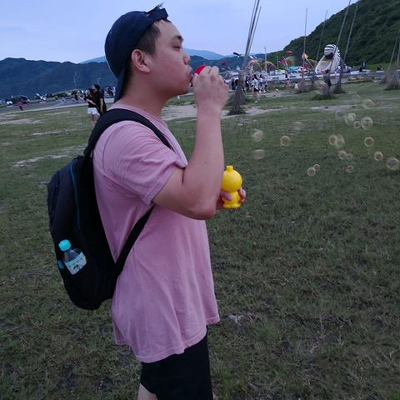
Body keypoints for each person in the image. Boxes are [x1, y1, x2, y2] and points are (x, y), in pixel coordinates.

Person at [95, 6, 246, 400]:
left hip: (169, 296)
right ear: (141, 60)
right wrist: (209, 109)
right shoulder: (126, 135)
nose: (187, 57)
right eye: (176, 47)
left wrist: (210, 191)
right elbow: (195, 202)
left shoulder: (144, 123)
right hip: (161, 303)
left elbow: (181, 194)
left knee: (158, 386)